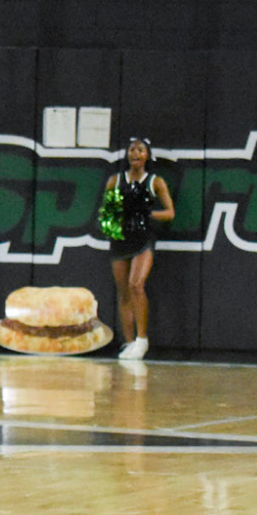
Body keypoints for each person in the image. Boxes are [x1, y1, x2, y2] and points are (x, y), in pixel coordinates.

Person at [99, 137, 174, 361]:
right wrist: (113, 221)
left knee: (136, 285)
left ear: (147, 155)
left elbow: (170, 213)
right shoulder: (115, 180)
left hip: (143, 238)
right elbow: (106, 213)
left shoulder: (155, 181)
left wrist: (146, 214)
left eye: (140, 150)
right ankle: (129, 342)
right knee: (123, 292)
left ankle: (142, 340)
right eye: (131, 150)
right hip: (121, 239)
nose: (135, 154)